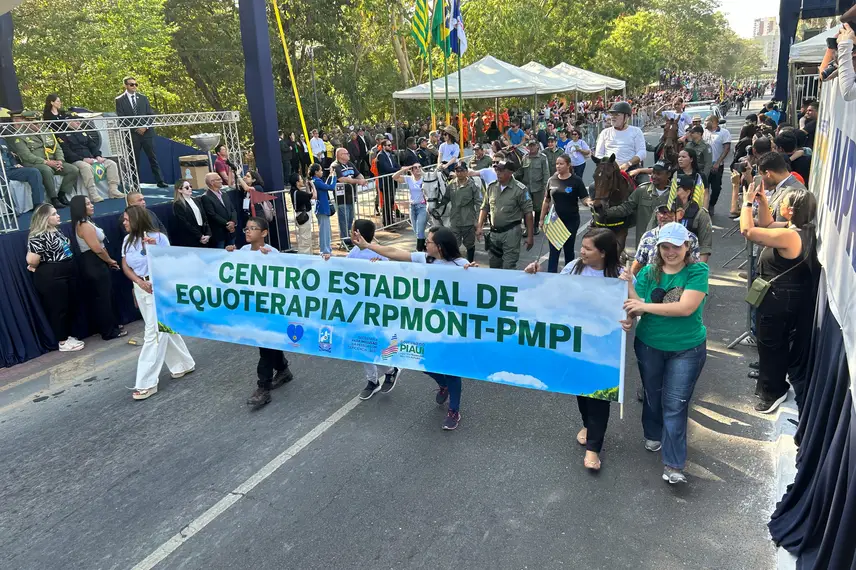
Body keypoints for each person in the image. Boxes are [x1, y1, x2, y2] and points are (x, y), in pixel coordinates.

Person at [351, 225, 472, 430]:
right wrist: (367, 246)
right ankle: (442, 384)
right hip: (426, 323)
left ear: (440, 247)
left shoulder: (461, 264)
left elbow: (477, 287)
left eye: (429, 241)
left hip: (450, 326)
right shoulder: (427, 259)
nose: (425, 243)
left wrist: (473, 273)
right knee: (420, 361)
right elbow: (394, 253)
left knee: (451, 369)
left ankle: (454, 410)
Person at [524, 228, 625, 470]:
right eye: (582, 247)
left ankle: (593, 449)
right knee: (581, 390)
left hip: (603, 347)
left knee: (600, 395)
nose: (582, 251)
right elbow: (553, 292)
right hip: (575, 343)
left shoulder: (620, 275)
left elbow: (631, 308)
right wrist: (534, 276)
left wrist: (628, 305)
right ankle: (587, 424)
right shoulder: (573, 267)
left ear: (603, 253)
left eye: (588, 249)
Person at [623, 222, 709, 485]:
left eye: (675, 246)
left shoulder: (698, 271)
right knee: (653, 394)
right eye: (664, 246)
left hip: (687, 348)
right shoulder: (649, 272)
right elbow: (637, 306)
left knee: (675, 404)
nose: (670, 252)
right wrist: (629, 301)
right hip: (649, 344)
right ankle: (652, 431)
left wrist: (643, 307)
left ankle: (674, 464)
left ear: (687, 246)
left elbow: (685, 308)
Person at [740, 186, 818, 413]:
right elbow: (766, 224)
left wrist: (746, 203)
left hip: (778, 299)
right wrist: (762, 201)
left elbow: (749, 231)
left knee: (770, 344)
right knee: (777, 343)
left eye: (781, 202)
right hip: (788, 296)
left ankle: (773, 391)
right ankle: (773, 381)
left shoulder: (789, 235)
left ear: (791, 210)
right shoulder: (799, 229)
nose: (779, 204)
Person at [121, 205, 195, 400]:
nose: (124, 223)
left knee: (153, 333)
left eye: (127, 219)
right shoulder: (127, 241)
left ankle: (146, 382)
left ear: (136, 220)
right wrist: (137, 282)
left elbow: (170, 262)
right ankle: (183, 363)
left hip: (158, 286)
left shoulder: (159, 238)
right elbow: (125, 265)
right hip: (141, 286)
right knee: (162, 327)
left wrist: (154, 249)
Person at [324, 219, 403, 400]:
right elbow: (342, 272)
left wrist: (380, 268)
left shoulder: (378, 254)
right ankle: (372, 381)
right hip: (356, 309)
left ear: (358, 233)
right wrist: (328, 261)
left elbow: (391, 279)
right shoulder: (353, 253)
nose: (350, 234)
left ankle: (390, 370)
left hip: (374, 311)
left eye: (352, 231)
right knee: (359, 346)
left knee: (373, 345)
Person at [226, 217, 295, 407]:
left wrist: (271, 261)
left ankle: (263, 387)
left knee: (264, 344)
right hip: (253, 307)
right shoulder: (243, 251)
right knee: (268, 343)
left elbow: (283, 280)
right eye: (246, 229)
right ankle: (283, 369)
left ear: (264, 233)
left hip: (270, 308)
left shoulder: (272, 252)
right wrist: (229, 255)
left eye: (253, 228)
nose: (248, 232)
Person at [25, 203, 84, 352]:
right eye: (53, 214)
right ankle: (62, 341)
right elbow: (32, 260)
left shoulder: (56, 231)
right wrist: (34, 265)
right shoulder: (38, 235)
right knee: (58, 309)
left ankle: (67, 335)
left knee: (68, 305)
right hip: (52, 275)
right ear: (45, 218)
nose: (58, 216)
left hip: (66, 271)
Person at [69, 196, 126, 341]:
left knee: (105, 296)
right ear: (80, 208)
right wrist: (110, 260)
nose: (92, 205)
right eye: (87, 204)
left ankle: (111, 325)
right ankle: (108, 331)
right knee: (103, 298)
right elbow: (97, 248)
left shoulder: (87, 222)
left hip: (96, 262)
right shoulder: (84, 225)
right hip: (93, 263)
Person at [9, 110, 78, 209]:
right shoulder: (19, 135)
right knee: (46, 170)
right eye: (35, 124)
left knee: (73, 169)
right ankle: (53, 198)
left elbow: (57, 147)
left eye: (40, 123)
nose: (38, 126)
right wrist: (46, 162)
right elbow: (26, 155)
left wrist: (60, 160)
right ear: (27, 122)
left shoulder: (46, 131)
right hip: (35, 163)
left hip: (52, 161)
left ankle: (61, 195)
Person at [476, 160, 534, 269]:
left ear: (510, 172)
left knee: (508, 266)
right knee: (494, 265)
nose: (498, 173)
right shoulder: (491, 187)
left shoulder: (520, 189)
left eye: (501, 171)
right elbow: (484, 207)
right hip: (494, 233)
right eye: (497, 170)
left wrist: (530, 236)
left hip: (511, 233)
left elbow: (528, 213)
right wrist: (479, 226)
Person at [600, 161, 672, 246]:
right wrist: (606, 212)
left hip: (668, 241)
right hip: (645, 242)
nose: (654, 176)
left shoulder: (675, 193)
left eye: (658, 174)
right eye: (653, 173)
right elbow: (626, 207)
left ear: (668, 175)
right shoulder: (642, 190)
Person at [540, 154, 591, 272]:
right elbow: (546, 200)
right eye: (557, 164)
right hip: (554, 221)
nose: (558, 166)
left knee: (568, 250)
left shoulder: (576, 180)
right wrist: (542, 219)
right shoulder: (551, 180)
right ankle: (551, 277)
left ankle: (569, 274)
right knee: (554, 251)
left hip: (571, 221)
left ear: (568, 165)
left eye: (561, 164)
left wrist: (589, 202)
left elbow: (584, 198)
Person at [115, 76, 167, 188]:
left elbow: (150, 114)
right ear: (125, 85)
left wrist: (145, 127)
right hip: (132, 135)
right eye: (131, 84)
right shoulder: (119, 100)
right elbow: (122, 118)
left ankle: (160, 180)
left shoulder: (143, 98)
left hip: (147, 133)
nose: (134, 86)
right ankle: (135, 182)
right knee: (134, 159)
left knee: (153, 158)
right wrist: (135, 128)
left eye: (135, 84)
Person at [58, 119, 123, 202]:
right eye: (76, 121)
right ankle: (92, 193)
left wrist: (98, 156)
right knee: (86, 167)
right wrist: (83, 159)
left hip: (91, 158)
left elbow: (93, 146)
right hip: (76, 160)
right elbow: (67, 152)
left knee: (111, 163)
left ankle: (113, 190)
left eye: (80, 121)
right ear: (68, 122)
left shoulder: (83, 132)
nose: (79, 122)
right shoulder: (62, 134)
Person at [632, 203, 700, 274]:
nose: (665, 216)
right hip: (651, 281)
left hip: (680, 281)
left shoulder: (690, 238)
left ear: (680, 214)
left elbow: (694, 266)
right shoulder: (648, 236)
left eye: (670, 212)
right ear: (656, 214)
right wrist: (630, 281)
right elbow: (638, 263)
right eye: (662, 212)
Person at [594, 101, 647, 172]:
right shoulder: (605, 132)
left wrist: (628, 164)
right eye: (612, 114)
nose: (613, 117)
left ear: (627, 117)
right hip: (608, 170)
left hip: (631, 169)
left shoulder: (636, 131)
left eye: (617, 114)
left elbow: (642, 152)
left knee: (644, 182)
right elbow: (598, 154)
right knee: (595, 183)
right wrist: (609, 165)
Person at [446, 162, 481, 262]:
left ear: (466, 172)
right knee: (454, 245)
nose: (459, 173)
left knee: (469, 244)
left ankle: (470, 263)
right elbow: (445, 199)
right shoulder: (451, 184)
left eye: (462, 170)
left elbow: (479, 203)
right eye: (457, 171)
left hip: (468, 221)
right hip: (454, 221)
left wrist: (478, 222)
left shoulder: (472, 185)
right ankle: (456, 264)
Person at [0, 134, 46, 208]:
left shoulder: (2, 140)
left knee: (33, 172)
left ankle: (39, 204)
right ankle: (11, 209)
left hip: (9, 169)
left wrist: (15, 164)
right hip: (1, 171)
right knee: (2, 179)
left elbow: (9, 156)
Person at [515, 140, 550, 234]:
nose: (532, 148)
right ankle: (527, 228)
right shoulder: (525, 157)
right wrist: (512, 176)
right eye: (530, 146)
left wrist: (546, 187)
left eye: (533, 146)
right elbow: (521, 171)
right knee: (525, 208)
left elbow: (546, 173)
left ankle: (535, 226)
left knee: (538, 208)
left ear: (537, 146)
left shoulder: (542, 158)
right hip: (526, 187)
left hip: (538, 187)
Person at [331, 147, 366, 240]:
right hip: (342, 198)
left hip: (351, 196)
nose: (349, 155)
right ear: (340, 155)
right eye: (346, 153)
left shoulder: (350, 164)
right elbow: (342, 179)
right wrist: (358, 181)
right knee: (344, 220)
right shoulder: (335, 166)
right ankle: (345, 240)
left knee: (350, 219)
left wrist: (362, 179)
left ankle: (350, 238)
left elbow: (358, 174)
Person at [393, 162, 428, 251]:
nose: (418, 169)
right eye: (415, 167)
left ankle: (419, 250)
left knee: (420, 229)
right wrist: (404, 169)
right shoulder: (409, 179)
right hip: (412, 206)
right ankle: (424, 247)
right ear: (411, 170)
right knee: (416, 230)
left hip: (422, 206)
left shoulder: (425, 179)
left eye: (419, 167)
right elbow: (394, 177)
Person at [703, 115, 732, 217]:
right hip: (704, 166)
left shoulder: (724, 133)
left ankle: (711, 204)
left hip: (717, 166)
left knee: (716, 188)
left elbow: (726, 149)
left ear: (714, 122)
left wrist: (718, 162)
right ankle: (703, 208)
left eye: (706, 121)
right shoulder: (703, 132)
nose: (704, 123)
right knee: (703, 188)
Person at [201, 172, 238, 249]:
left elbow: (232, 209)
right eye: (218, 179)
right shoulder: (206, 197)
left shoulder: (224, 194)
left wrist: (233, 222)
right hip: (219, 234)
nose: (221, 181)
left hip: (231, 232)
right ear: (212, 182)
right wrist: (227, 224)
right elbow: (212, 215)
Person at [171, 179, 211, 247]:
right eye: (187, 187)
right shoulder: (178, 204)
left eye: (190, 186)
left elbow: (205, 218)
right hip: (191, 237)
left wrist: (208, 234)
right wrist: (200, 236)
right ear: (180, 190)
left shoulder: (196, 200)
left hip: (203, 233)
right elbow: (184, 223)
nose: (190, 189)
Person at [309, 162, 334, 255]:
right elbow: (331, 187)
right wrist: (334, 177)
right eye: (320, 170)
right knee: (324, 232)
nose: (322, 172)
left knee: (326, 231)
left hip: (322, 208)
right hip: (322, 209)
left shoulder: (317, 181)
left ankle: (327, 249)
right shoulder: (317, 181)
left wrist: (331, 176)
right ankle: (325, 250)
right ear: (316, 172)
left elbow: (326, 186)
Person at [376, 138, 400, 226]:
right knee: (387, 203)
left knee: (391, 202)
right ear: (383, 147)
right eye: (389, 145)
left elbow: (395, 165)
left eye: (391, 145)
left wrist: (400, 168)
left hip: (392, 182)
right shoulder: (381, 156)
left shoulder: (390, 155)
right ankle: (387, 222)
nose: (391, 147)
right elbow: (387, 169)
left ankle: (391, 221)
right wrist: (399, 170)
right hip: (385, 183)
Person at [291, 173, 315, 254]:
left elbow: (308, 195)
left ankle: (308, 255)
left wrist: (307, 186)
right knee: (305, 240)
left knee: (304, 238)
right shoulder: (299, 193)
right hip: (304, 217)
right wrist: (313, 186)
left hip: (300, 215)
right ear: (297, 182)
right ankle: (304, 257)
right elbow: (314, 196)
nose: (302, 181)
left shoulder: (294, 191)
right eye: (301, 179)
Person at [684, 125, 712, 192]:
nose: (690, 134)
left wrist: (703, 179)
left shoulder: (706, 146)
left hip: (699, 175)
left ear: (699, 133)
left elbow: (708, 164)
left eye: (692, 132)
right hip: (687, 175)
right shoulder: (688, 145)